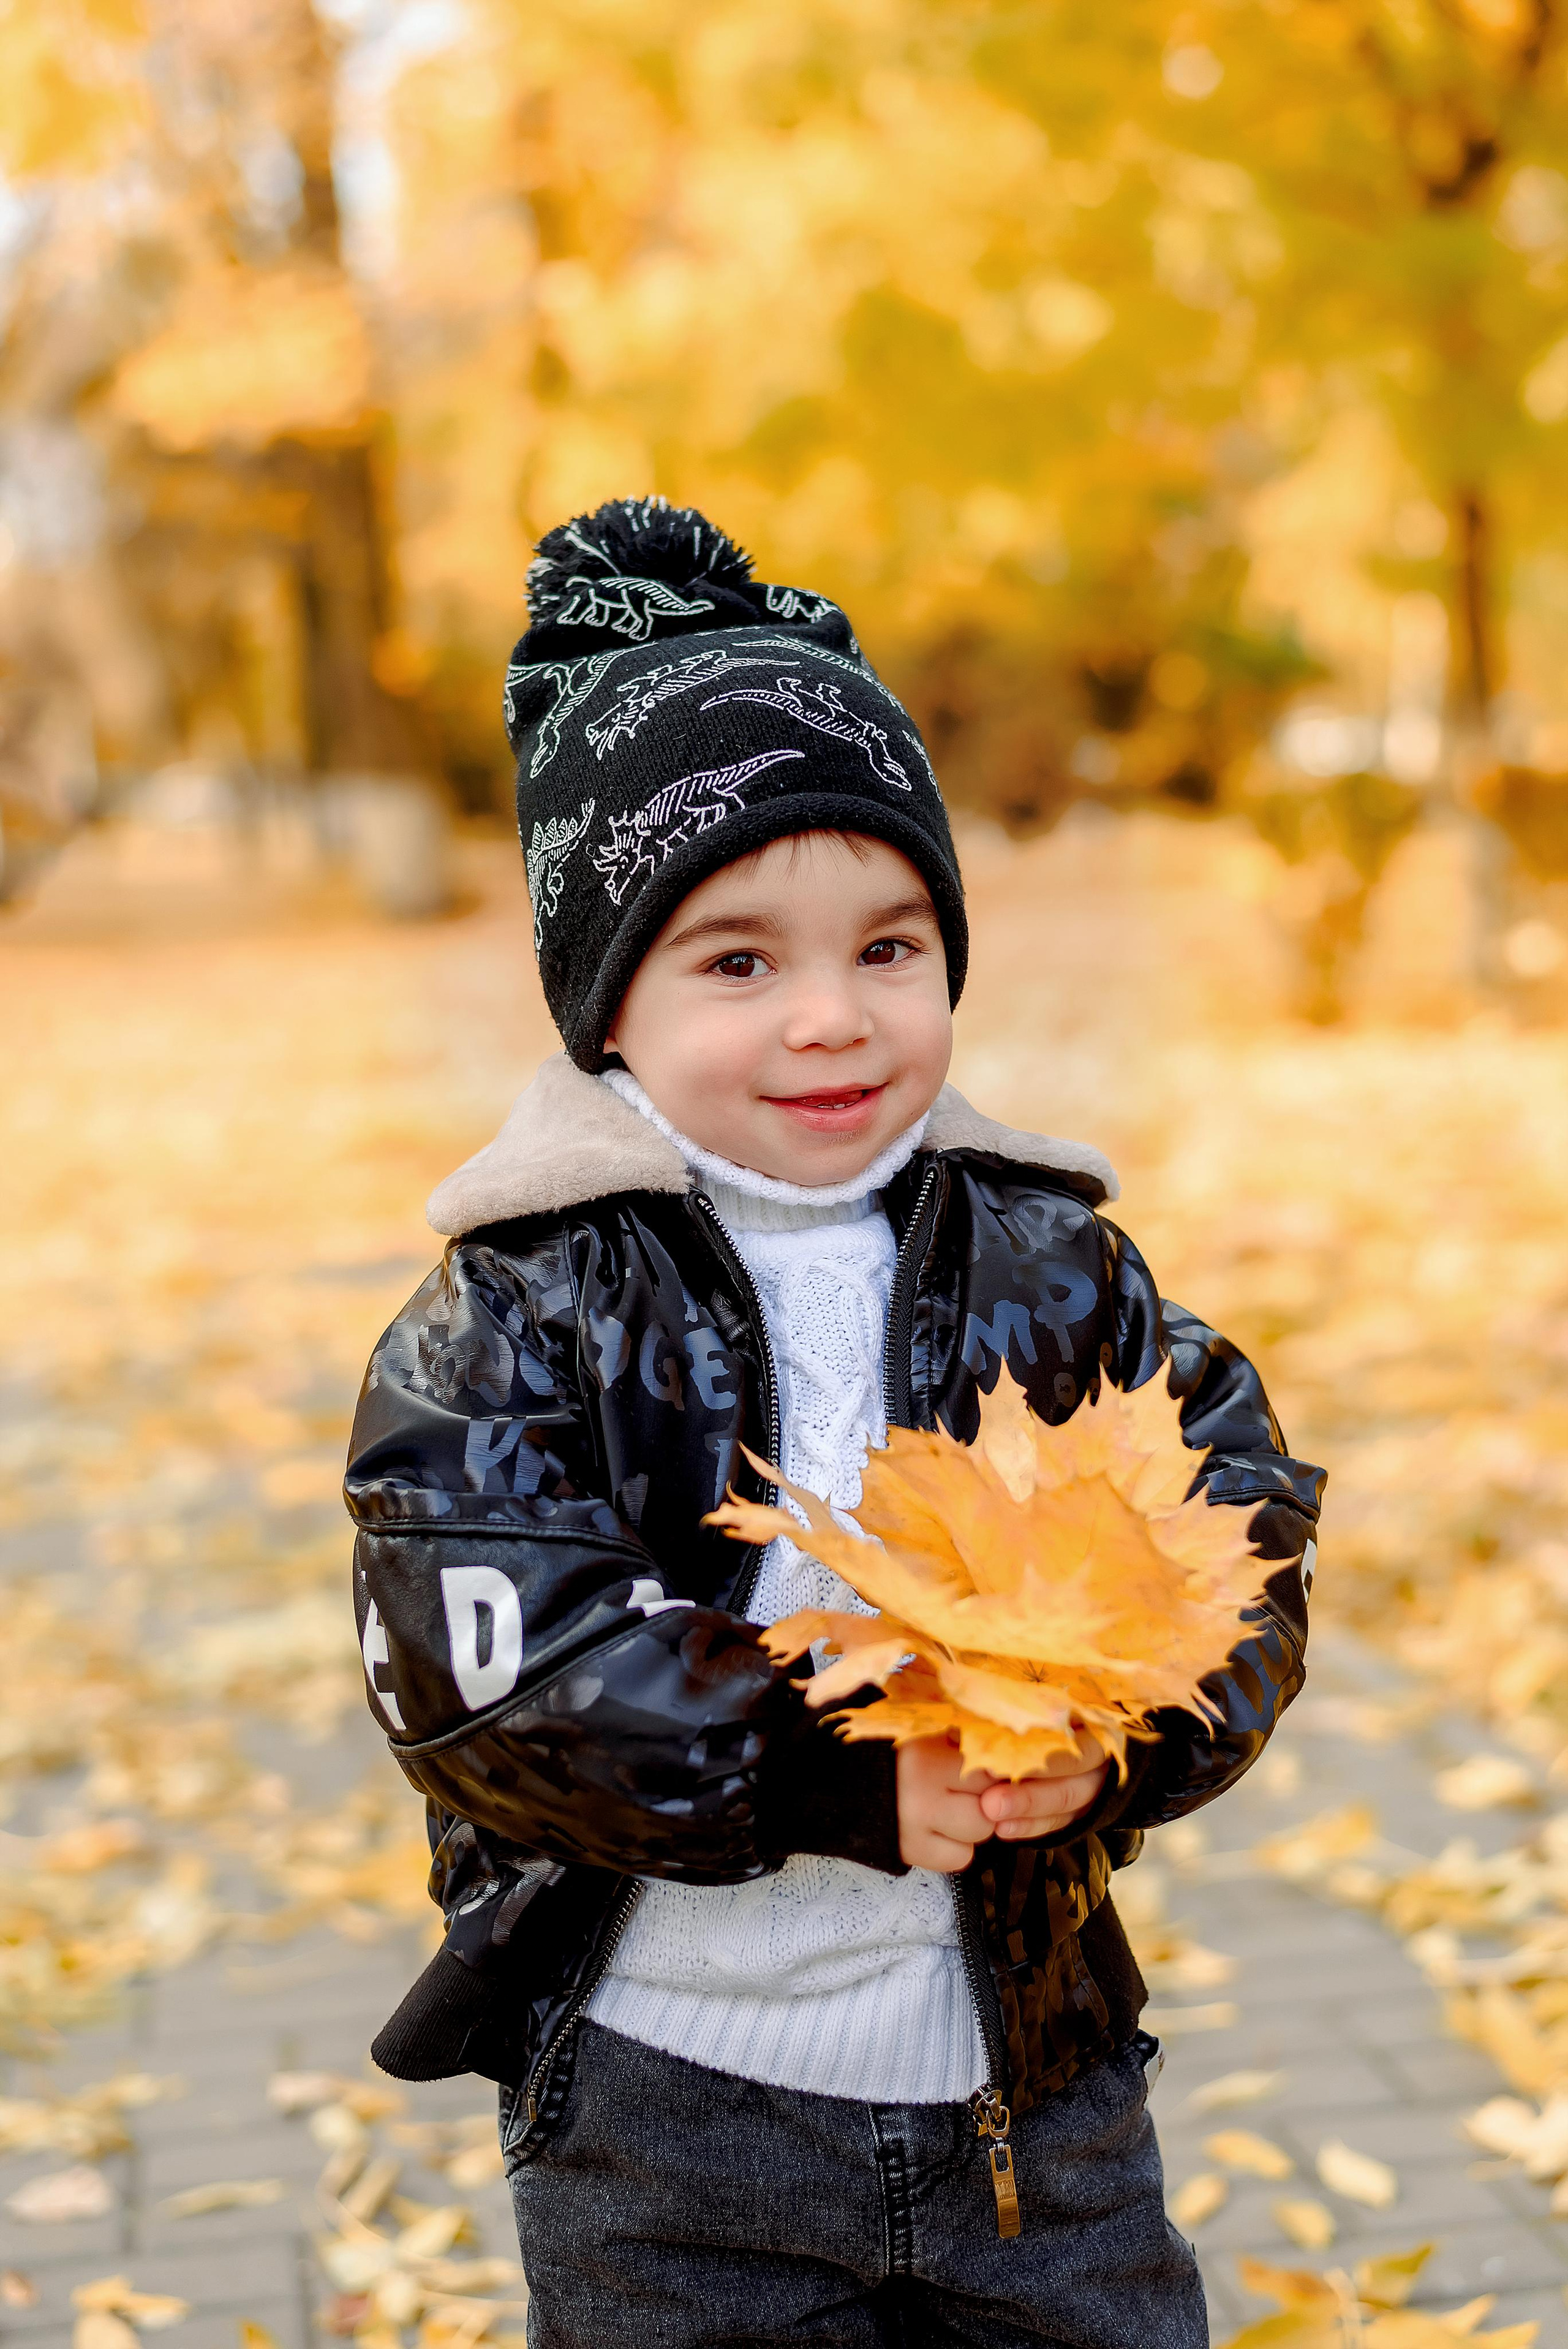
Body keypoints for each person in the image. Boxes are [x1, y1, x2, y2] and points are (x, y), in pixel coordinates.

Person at [345, 496, 1324, 2348]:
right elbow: (486, 1671)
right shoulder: (524, 1309)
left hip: (1028, 2079)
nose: (832, 1019)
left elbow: (1236, 1522)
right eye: (739, 963)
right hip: (667, 2112)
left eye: (890, 948)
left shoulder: (1048, 1259)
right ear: (606, 1007)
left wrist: (1121, 1740)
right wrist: (835, 1776)